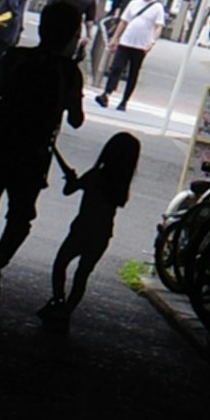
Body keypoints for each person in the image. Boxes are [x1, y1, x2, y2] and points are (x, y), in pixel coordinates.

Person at [0, 0, 89, 311]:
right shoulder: (69, 72)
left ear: (41, 28)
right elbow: (76, 120)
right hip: (33, 156)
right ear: (72, 36)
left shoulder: (16, 58)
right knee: (21, 218)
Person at [40, 130, 141, 325]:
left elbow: (69, 190)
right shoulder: (120, 186)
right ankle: (66, 311)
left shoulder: (95, 175)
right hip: (102, 235)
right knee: (82, 274)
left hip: (81, 229)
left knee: (61, 263)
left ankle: (58, 299)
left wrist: (71, 178)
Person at [98, 0, 169, 109]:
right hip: (126, 41)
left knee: (133, 72)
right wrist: (115, 37)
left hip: (141, 45)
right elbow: (123, 21)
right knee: (116, 68)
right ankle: (106, 93)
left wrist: (152, 42)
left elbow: (158, 26)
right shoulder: (133, 3)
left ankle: (124, 100)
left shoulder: (157, 8)